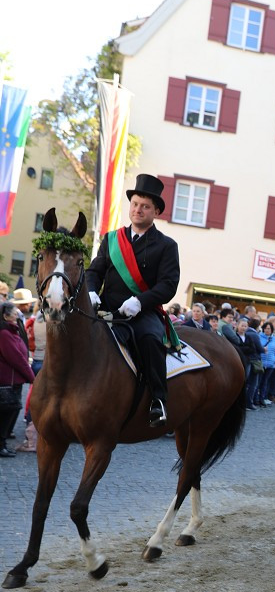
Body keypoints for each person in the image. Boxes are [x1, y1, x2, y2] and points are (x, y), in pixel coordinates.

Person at [86, 174, 180, 426]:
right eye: (135, 204)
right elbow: (94, 271)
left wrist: (139, 301)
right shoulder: (111, 239)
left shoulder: (166, 245)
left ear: (156, 211)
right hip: (106, 308)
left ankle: (158, 401)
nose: (138, 210)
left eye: (145, 206)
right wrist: (91, 291)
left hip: (142, 312)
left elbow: (168, 285)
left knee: (150, 340)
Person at [0, 302, 35, 458]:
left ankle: (2, 444)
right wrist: (31, 376)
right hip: (8, 380)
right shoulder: (5, 334)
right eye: (15, 313)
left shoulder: (10, 331)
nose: (18, 315)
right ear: (6, 316)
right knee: (7, 412)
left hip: (13, 379)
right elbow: (16, 359)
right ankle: (1, 445)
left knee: (10, 411)